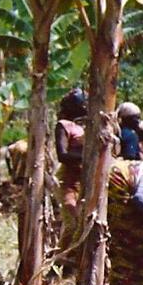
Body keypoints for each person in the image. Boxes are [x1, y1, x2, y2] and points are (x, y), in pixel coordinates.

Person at [54, 89, 88, 252]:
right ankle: (58, 264)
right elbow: (63, 155)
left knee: (81, 223)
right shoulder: (63, 126)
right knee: (72, 224)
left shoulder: (82, 127)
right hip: (67, 181)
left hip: (81, 181)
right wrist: (86, 157)